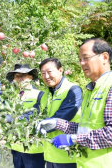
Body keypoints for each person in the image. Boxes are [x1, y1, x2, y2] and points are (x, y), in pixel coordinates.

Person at [37, 38, 112, 168]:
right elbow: (85, 128)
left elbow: (110, 134)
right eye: (80, 60)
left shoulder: (109, 87)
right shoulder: (91, 90)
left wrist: (73, 139)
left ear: (104, 57)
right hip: (84, 163)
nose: (82, 63)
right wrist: (57, 123)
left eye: (86, 58)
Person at [36, 58, 82, 168]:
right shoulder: (45, 94)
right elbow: (37, 115)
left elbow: (63, 116)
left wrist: (37, 126)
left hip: (67, 155)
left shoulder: (73, 90)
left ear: (60, 70)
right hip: (50, 154)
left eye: (49, 72)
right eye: (43, 73)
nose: (46, 76)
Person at [6, 64, 46, 168]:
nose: (20, 79)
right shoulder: (12, 96)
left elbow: (34, 114)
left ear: (30, 77)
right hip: (16, 147)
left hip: (33, 148)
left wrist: (11, 119)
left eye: (23, 75)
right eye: (17, 76)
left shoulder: (39, 95)